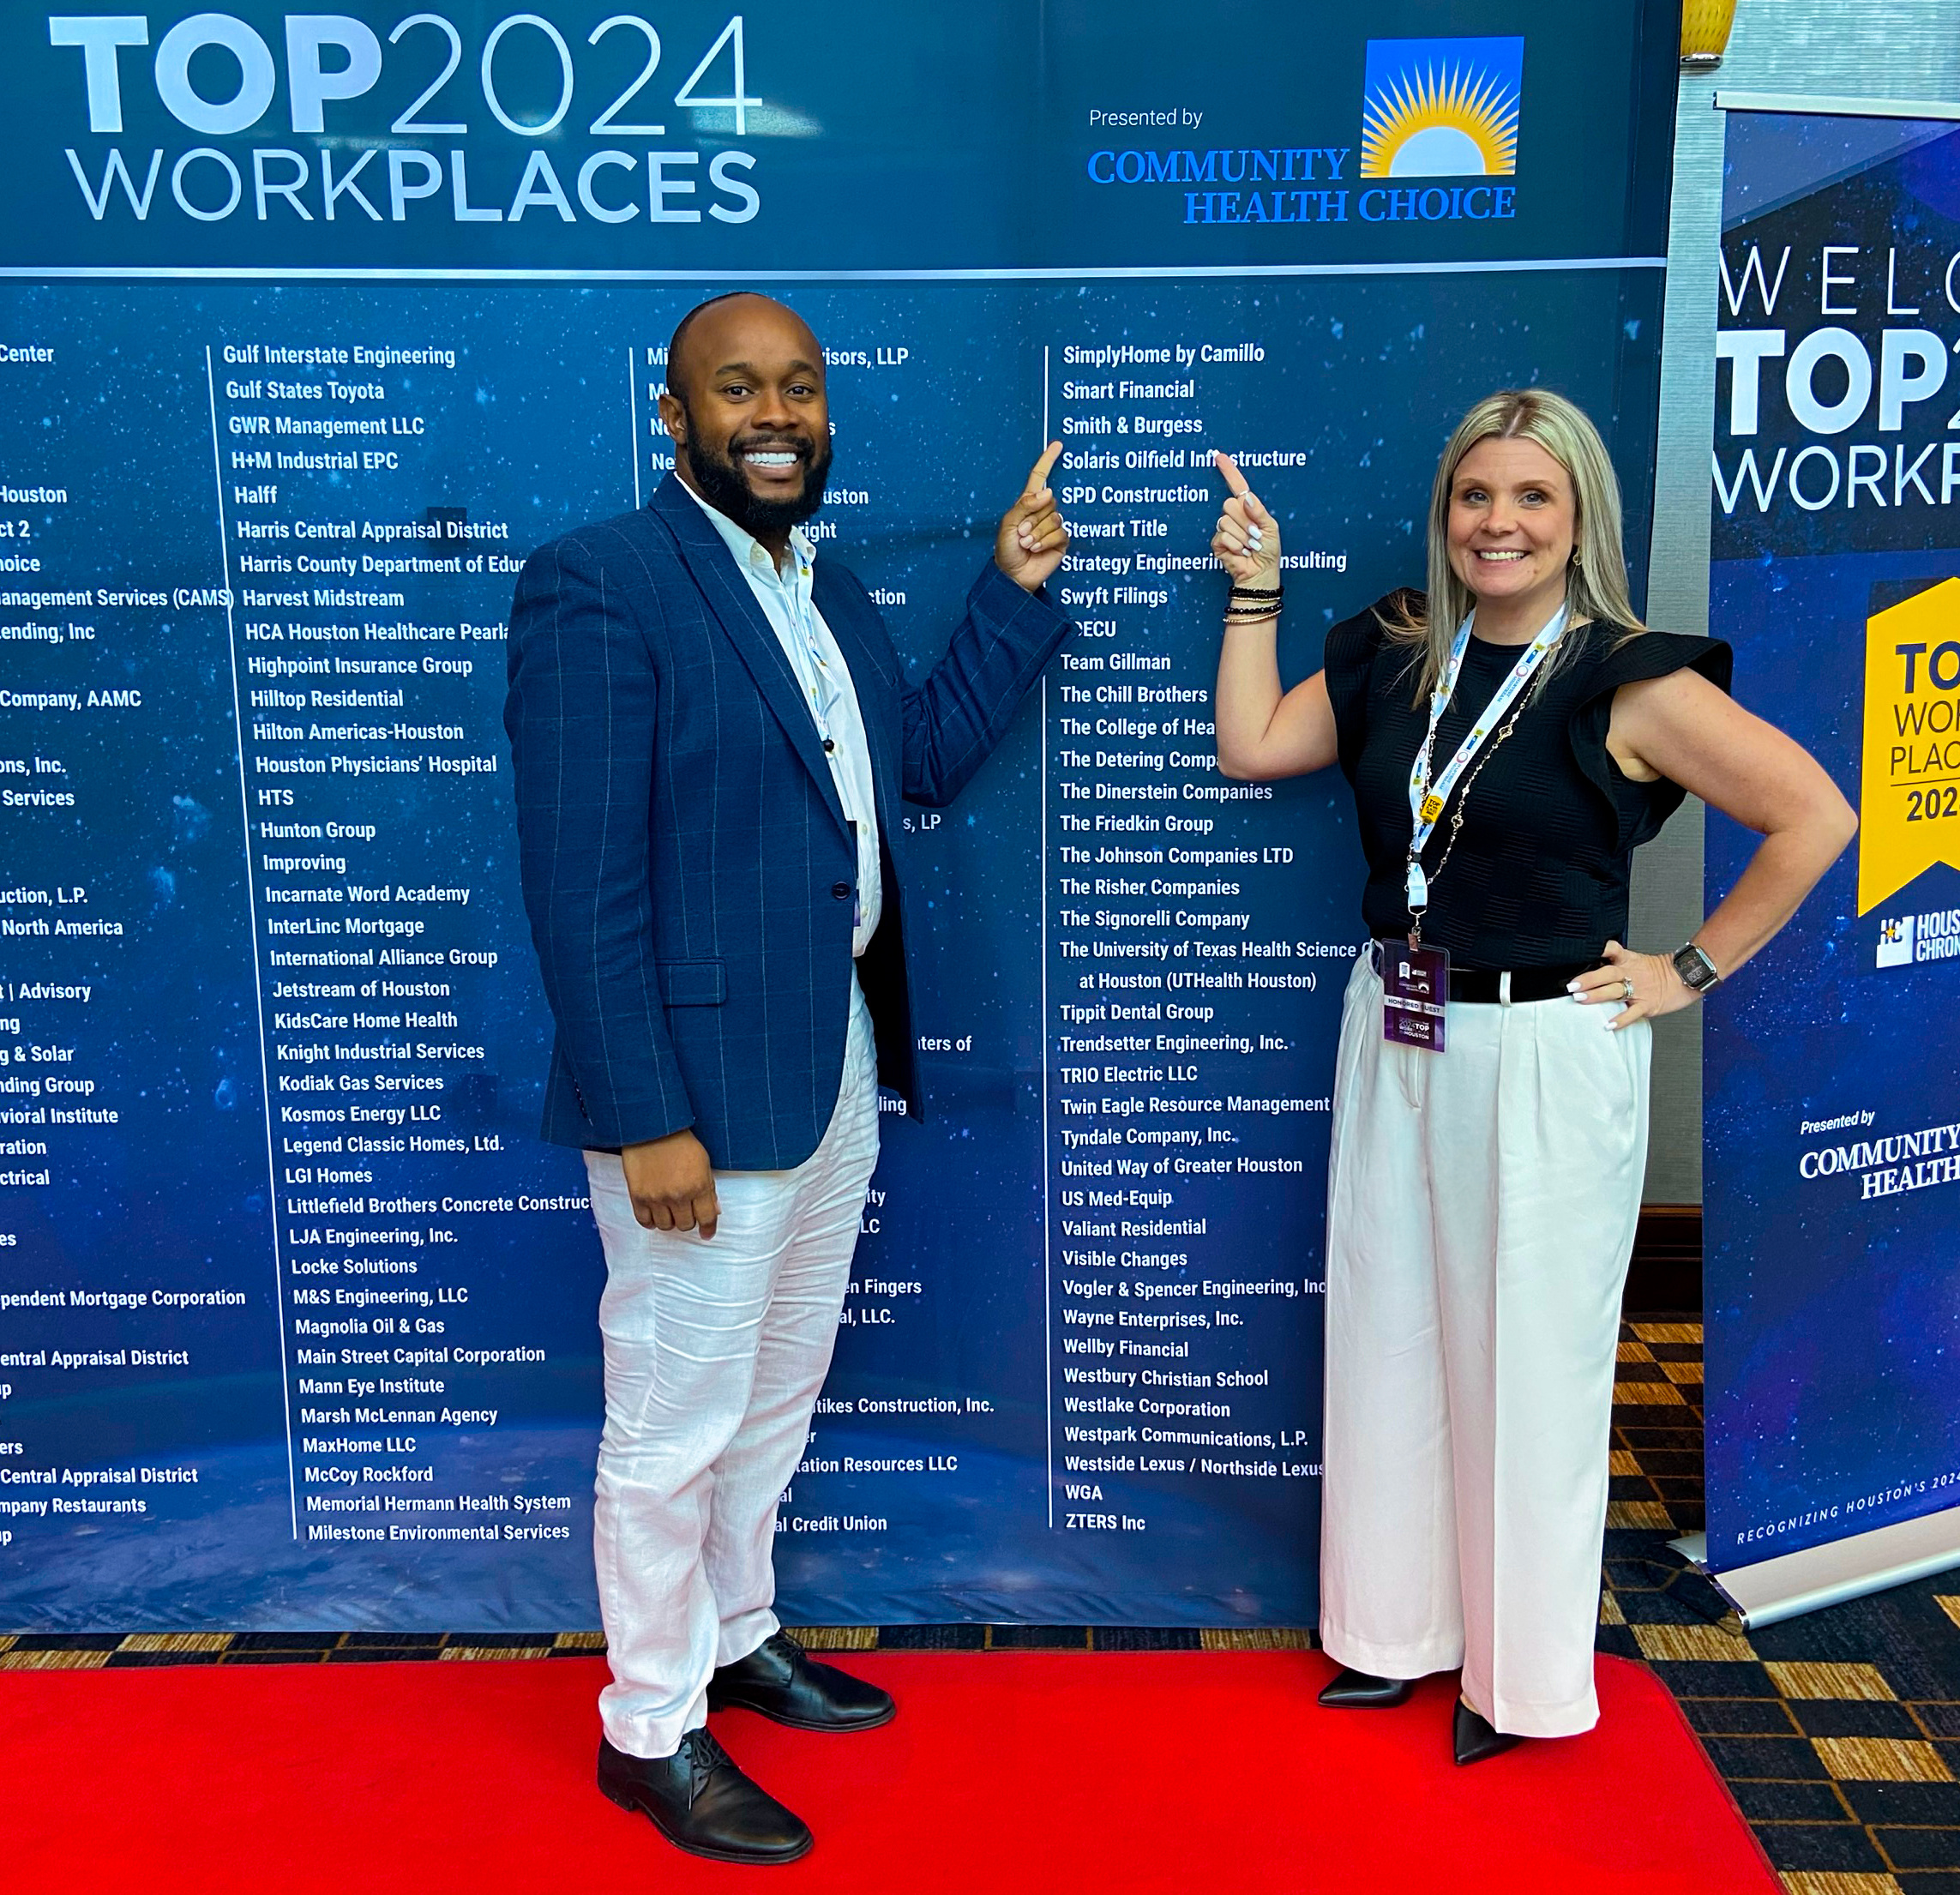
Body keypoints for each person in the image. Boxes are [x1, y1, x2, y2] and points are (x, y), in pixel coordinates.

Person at [505, 291, 1073, 1863]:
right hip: (693, 1094)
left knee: (773, 1393)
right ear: (671, 416)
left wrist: (1010, 592)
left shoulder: (830, 588)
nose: (776, 413)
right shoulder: (600, 583)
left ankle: (736, 1631)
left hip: (828, 1066)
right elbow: (579, 878)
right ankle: (647, 1727)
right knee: (674, 1412)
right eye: (736, 388)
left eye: (800, 388)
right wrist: (642, 1118)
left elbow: (918, 768)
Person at [1206, 388, 1855, 1765]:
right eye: (1474, 496)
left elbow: (1816, 815)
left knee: (1530, 1371)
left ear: (1576, 521)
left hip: (1546, 1048)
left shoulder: (1627, 677)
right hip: (1394, 1025)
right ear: (1445, 512)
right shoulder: (1395, 652)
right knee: (1386, 1340)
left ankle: (1520, 1679)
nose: (1497, 523)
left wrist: (1687, 968)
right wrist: (1253, 593)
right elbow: (1253, 745)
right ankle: (1392, 1637)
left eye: (1530, 499)